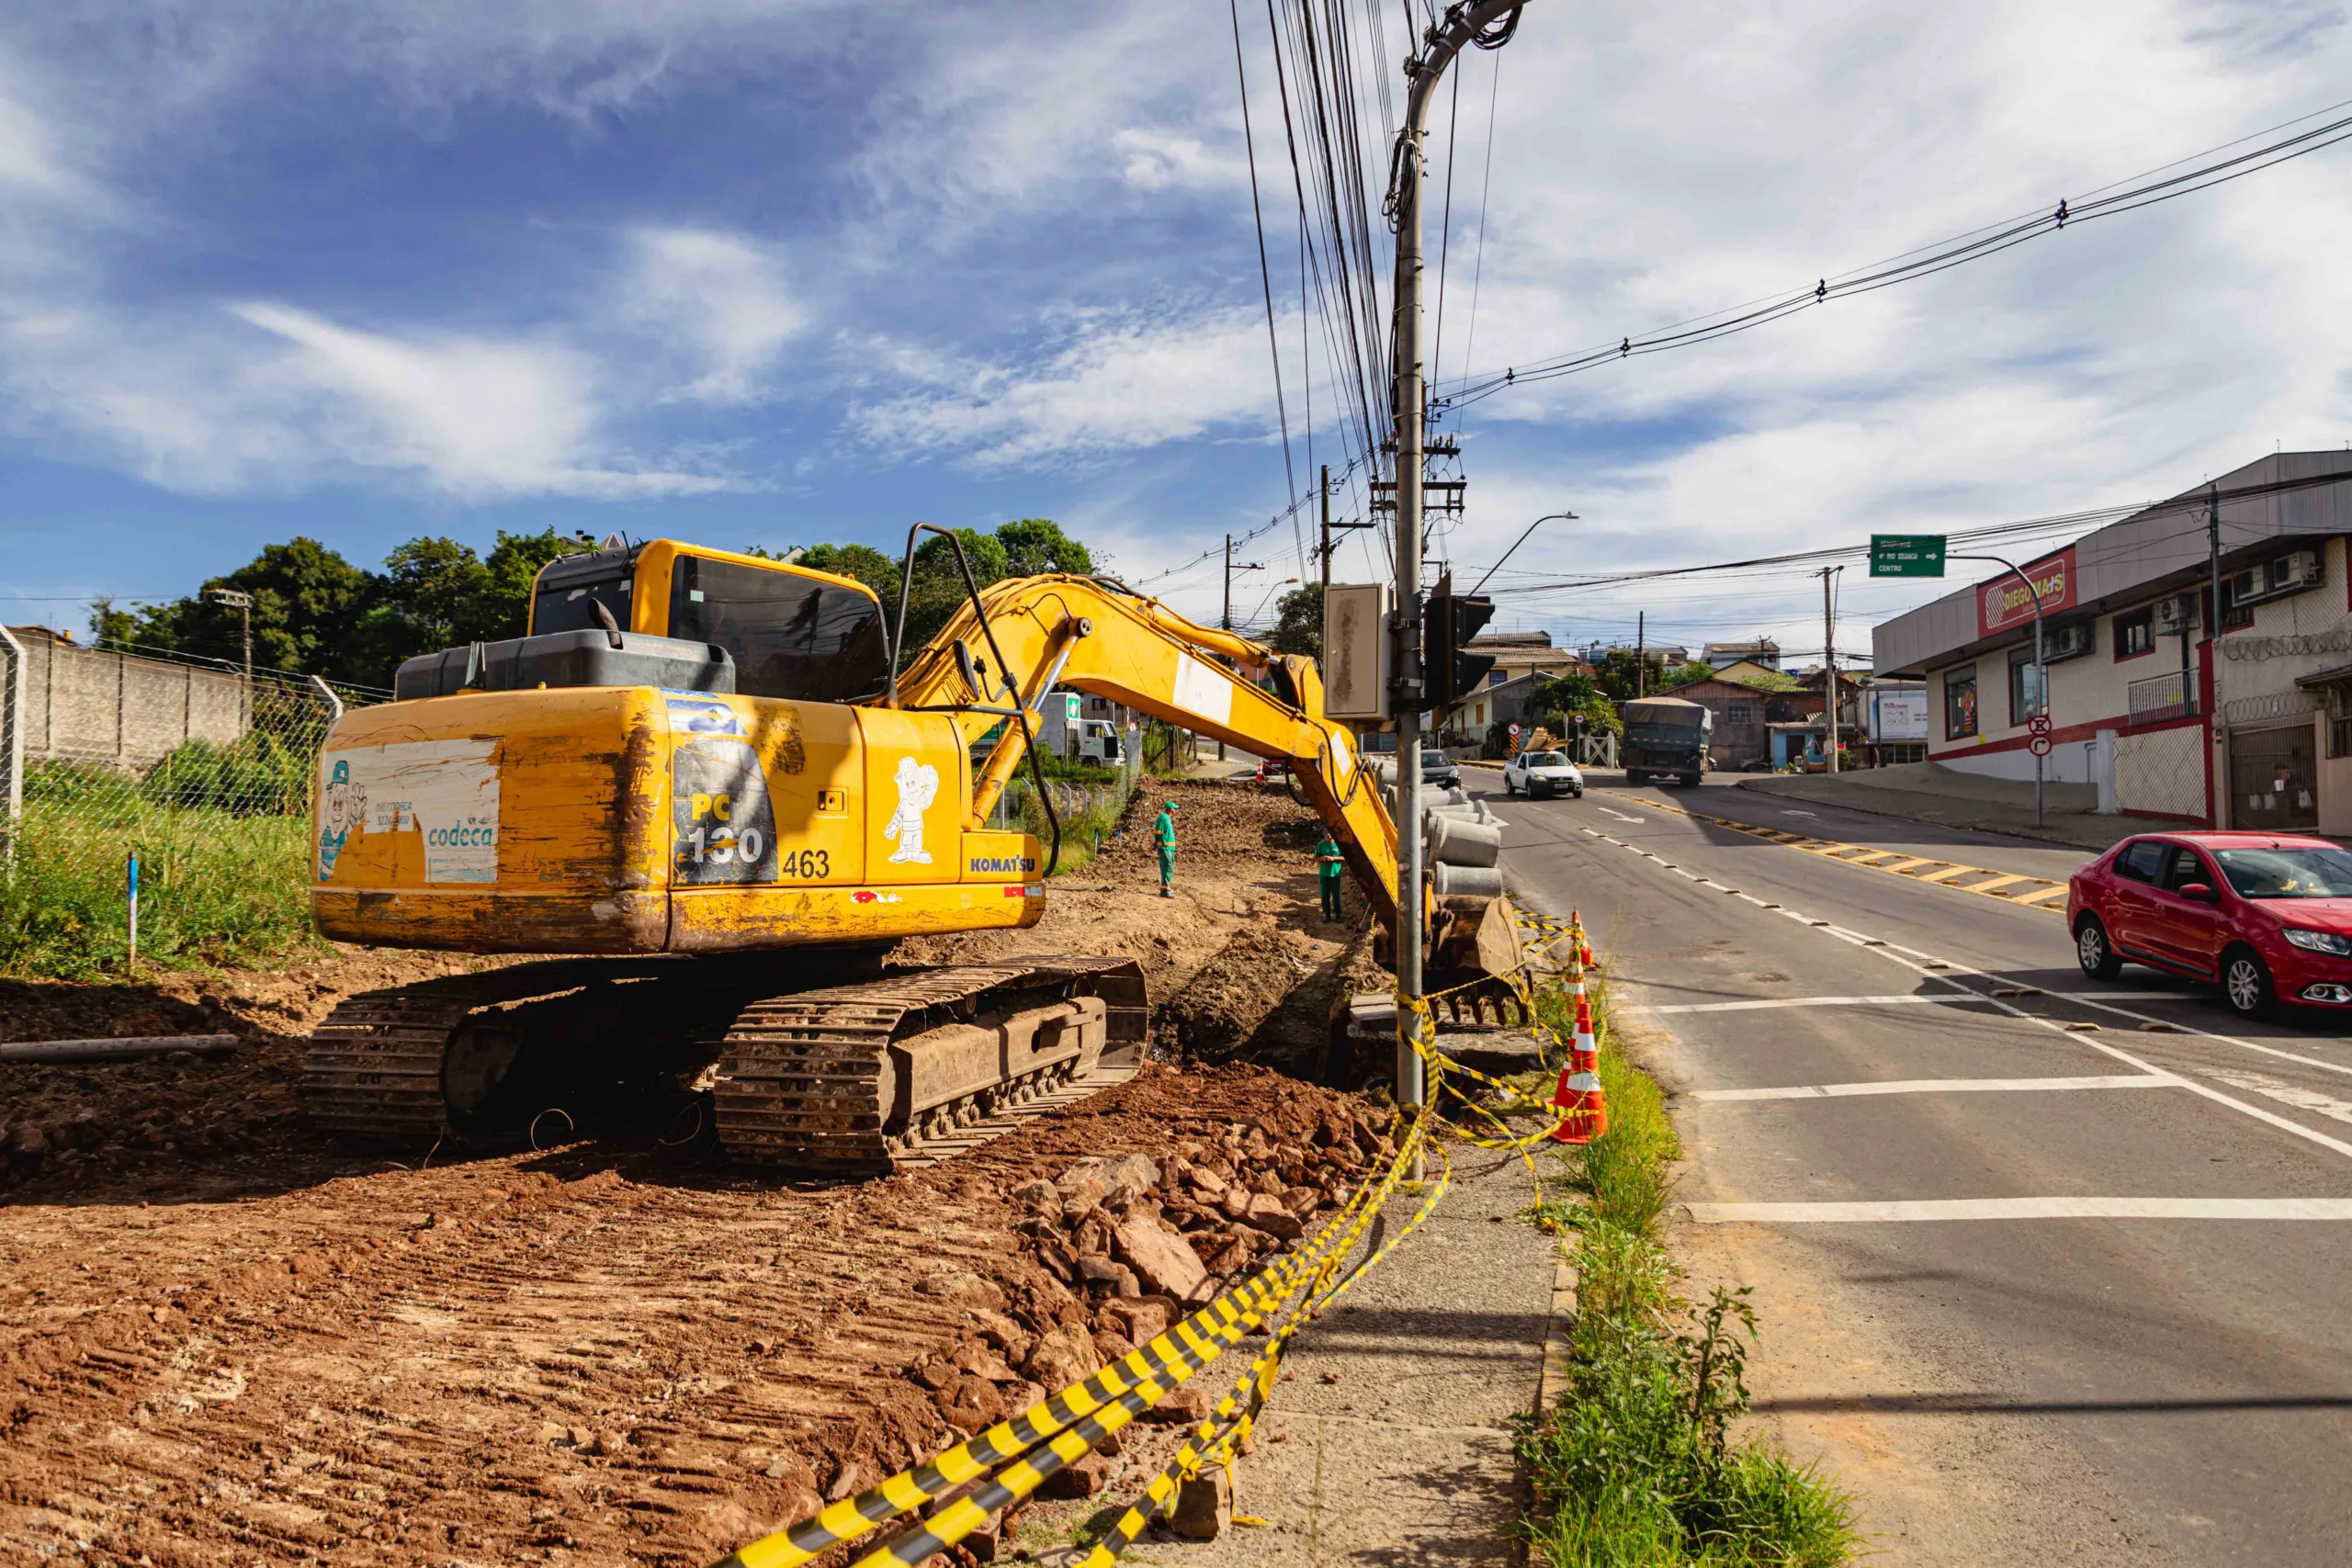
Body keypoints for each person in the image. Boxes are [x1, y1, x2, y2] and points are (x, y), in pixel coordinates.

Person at [1314, 831, 1345, 922]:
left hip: (1335, 873)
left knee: (1336, 895)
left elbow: (1343, 857)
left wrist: (1333, 859)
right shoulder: (1321, 844)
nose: (1329, 838)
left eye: (1331, 837)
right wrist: (1323, 858)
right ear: (1324, 836)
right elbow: (1316, 858)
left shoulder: (1338, 844)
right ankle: (1327, 915)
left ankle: (1338, 915)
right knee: (1325, 895)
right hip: (1324, 874)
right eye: (1327, 837)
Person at [1154, 799, 1179, 897]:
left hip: (1169, 848)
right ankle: (1165, 891)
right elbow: (1158, 832)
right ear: (1171, 809)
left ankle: (1166, 888)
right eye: (1174, 808)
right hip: (1165, 848)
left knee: (1169, 867)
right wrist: (1157, 843)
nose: (1175, 810)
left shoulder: (1167, 818)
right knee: (1167, 867)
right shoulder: (1163, 818)